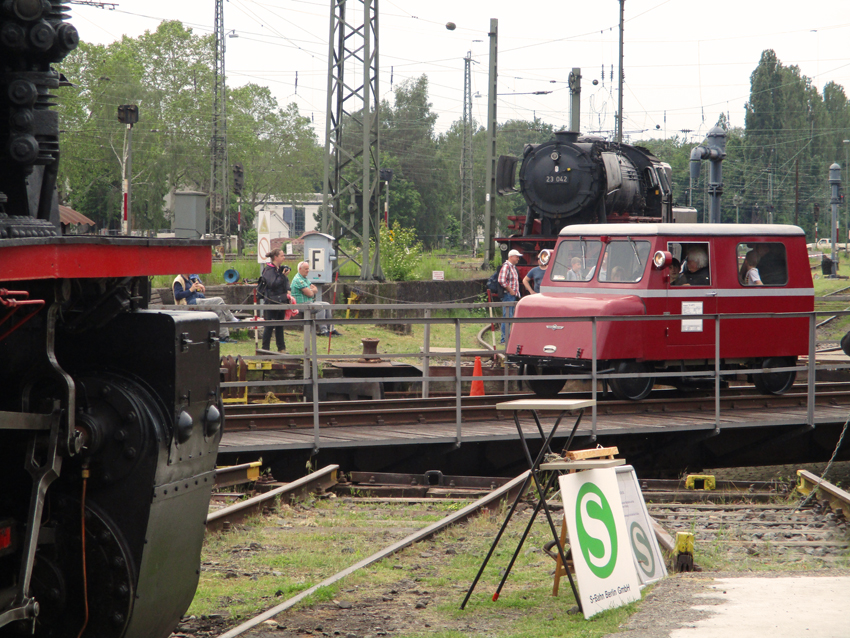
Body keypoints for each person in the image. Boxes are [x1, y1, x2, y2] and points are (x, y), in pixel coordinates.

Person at [172, 273, 239, 342]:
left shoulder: (189, 280)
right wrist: (191, 290)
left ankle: (224, 337)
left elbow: (194, 294)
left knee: (218, 310)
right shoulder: (179, 280)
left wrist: (200, 292)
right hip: (189, 305)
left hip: (196, 302)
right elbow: (177, 295)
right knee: (219, 300)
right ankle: (231, 319)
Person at [291, 261, 339, 336]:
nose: (308, 271)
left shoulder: (304, 279)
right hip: (300, 305)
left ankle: (331, 329)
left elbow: (315, 289)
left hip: (309, 303)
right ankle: (323, 330)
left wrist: (310, 290)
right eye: (306, 269)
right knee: (320, 307)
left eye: (308, 269)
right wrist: (311, 291)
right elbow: (310, 294)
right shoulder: (298, 280)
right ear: (300, 269)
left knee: (327, 305)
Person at [260, 248, 293, 352]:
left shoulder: (279, 269)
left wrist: (288, 289)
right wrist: (283, 276)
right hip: (271, 300)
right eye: (282, 256)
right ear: (276, 257)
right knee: (269, 326)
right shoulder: (269, 270)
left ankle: (281, 348)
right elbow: (273, 284)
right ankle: (265, 349)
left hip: (281, 300)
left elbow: (285, 281)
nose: (284, 257)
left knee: (280, 325)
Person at [498, 249, 521, 344]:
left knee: (509, 316)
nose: (518, 259)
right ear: (511, 257)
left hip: (512, 295)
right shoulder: (506, 266)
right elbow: (501, 280)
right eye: (517, 257)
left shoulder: (512, 267)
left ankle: (507, 338)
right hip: (508, 295)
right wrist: (511, 290)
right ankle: (504, 339)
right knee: (507, 316)